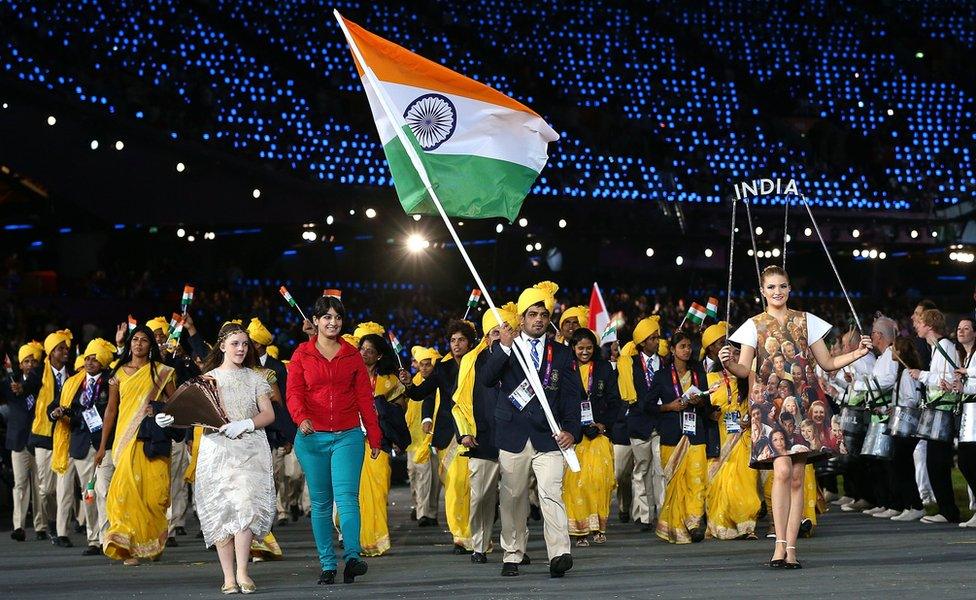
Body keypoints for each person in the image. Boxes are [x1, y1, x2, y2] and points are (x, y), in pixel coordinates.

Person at [722, 265, 871, 569]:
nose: (778, 292)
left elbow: (827, 362)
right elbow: (745, 370)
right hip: (768, 405)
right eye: (772, 287)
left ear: (789, 288)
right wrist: (730, 362)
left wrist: (856, 354)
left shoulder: (807, 321)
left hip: (804, 402)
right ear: (762, 291)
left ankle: (791, 549)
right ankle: (778, 546)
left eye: (783, 286)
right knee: (781, 471)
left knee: (797, 477)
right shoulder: (753, 325)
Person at [160, 321, 276, 593]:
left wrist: (245, 424)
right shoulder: (207, 379)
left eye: (245, 344)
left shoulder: (255, 378)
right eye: (235, 343)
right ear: (222, 345)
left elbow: (268, 414)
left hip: (249, 447)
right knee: (222, 509)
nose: (241, 348)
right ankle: (228, 576)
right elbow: (193, 415)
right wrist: (171, 419)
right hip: (217, 450)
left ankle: (243, 572)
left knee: (246, 506)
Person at [480, 281, 581, 578]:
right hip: (513, 436)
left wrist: (572, 430)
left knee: (552, 494)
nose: (538, 319)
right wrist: (504, 348)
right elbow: (486, 379)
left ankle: (560, 553)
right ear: (521, 318)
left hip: (549, 437)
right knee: (512, 497)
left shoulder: (561, 354)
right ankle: (512, 553)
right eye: (533, 314)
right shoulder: (507, 347)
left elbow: (573, 397)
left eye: (543, 314)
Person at [286, 295, 381, 585]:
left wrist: (374, 435)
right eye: (326, 317)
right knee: (321, 503)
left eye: (337, 317)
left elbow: (365, 398)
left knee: (348, 498)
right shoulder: (301, 354)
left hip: (348, 436)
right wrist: (301, 417)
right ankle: (327, 564)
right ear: (315, 321)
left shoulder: (352, 355)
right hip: (311, 437)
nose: (333, 322)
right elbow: (293, 393)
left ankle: (352, 557)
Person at [94, 325, 177, 565]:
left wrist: (159, 409)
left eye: (143, 340)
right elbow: (111, 410)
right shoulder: (118, 373)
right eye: (135, 340)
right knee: (123, 492)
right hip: (124, 440)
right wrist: (102, 446)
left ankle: (152, 541)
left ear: (150, 346)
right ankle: (128, 548)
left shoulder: (162, 372)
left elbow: (176, 404)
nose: (138, 344)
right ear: (129, 344)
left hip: (152, 439)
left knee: (152, 496)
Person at [401, 320, 477, 553]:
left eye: (461, 340)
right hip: (448, 436)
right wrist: (407, 383)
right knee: (455, 486)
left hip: (476, 433)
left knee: (476, 488)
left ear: (469, 342)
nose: (456, 344)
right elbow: (420, 393)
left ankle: (477, 533)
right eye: (453, 340)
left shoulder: (478, 364)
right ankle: (460, 536)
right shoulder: (442, 368)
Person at [452, 303, 519, 563]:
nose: (500, 337)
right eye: (494, 333)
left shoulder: (522, 358)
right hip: (482, 438)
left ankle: (514, 547)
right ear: (486, 336)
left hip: (515, 438)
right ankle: (479, 545)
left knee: (514, 497)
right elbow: (460, 402)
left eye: (504, 332)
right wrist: (464, 433)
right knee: (480, 496)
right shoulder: (472, 361)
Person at [48, 338, 115, 553]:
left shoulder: (112, 381)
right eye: (87, 358)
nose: (89, 362)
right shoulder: (73, 383)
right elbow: (55, 405)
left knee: (104, 491)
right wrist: (57, 412)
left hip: (106, 443)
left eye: (95, 359)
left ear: (103, 361)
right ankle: (94, 539)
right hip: (80, 445)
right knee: (89, 494)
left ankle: (108, 538)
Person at [650, 331, 715, 544]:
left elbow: (707, 402)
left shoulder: (698, 373)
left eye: (689, 346)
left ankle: (695, 524)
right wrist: (669, 406)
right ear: (672, 350)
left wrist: (700, 402)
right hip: (671, 435)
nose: (687, 350)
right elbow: (647, 406)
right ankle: (677, 526)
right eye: (682, 346)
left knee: (696, 480)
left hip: (696, 433)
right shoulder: (661, 376)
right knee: (675, 483)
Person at [701, 323, 760, 540]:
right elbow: (704, 408)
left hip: (743, 437)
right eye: (730, 352)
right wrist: (710, 413)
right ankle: (720, 525)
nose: (734, 356)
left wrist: (749, 419)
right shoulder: (710, 379)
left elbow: (758, 404)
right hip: (719, 437)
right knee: (719, 484)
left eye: (738, 352)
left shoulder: (748, 379)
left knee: (745, 482)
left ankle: (746, 525)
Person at [563, 327, 620, 546]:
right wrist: (572, 426)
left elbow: (615, 401)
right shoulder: (566, 368)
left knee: (599, 481)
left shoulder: (604, 368)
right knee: (576, 483)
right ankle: (580, 532)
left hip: (599, 434)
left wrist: (602, 425)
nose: (584, 352)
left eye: (589, 348)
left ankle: (598, 528)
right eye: (580, 348)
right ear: (573, 348)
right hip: (573, 435)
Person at [356, 331, 410, 557]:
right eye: (362, 349)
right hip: (352, 440)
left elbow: (400, 409)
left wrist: (382, 411)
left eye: (370, 350)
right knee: (354, 495)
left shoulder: (389, 381)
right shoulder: (347, 376)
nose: (365, 353)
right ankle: (354, 537)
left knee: (377, 492)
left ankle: (375, 541)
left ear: (379, 356)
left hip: (379, 442)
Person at [909, 308, 962, 523]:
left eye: (920, 323)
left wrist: (921, 375)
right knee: (934, 461)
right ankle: (945, 508)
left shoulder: (945, 347)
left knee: (938, 461)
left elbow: (946, 377)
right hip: (938, 412)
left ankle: (948, 511)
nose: (916, 326)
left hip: (944, 412)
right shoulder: (937, 348)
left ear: (929, 326)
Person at [247, 318, 301, 529]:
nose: (243, 346)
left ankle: (268, 516)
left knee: (273, 478)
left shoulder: (276, 368)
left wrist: (289, 435)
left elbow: (284, 402)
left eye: (247, 342)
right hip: (249, 434)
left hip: (273, 434)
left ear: (257, 344)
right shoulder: (242, 366)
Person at [617, 316, 665, 530]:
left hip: (662, 422)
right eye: (653, 338)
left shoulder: (665, 362)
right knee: (641, 470)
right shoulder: (629, 364)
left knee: (661, 470)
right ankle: (644, 516)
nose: (657, 341)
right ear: (642, 342)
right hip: (639, 424)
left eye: (657, 336)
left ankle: (663, 514)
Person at [29, 330, 74, 542]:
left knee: (63, 487)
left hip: (65, 435)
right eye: (60, 349)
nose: (65, 351)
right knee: (46, 489)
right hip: (43, 435)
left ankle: (59, 525)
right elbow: (26, 387)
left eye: (66, 348)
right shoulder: (38, 373)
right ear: (50, 352)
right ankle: (51, 520)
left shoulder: (73, 373)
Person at [4, 341, 43, 541]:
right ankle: (18, 526)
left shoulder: (42, 383)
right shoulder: (10, 382)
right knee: (20, 484)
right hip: (18, 441)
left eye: (33, 361)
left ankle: (40, 526)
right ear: (20, 364)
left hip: (38, 441)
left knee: (40, 485)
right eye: (26, 361)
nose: (30, 364)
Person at [887, 337, 926, 522]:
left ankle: (915, 505)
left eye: (894, 348)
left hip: (906, 424)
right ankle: (909, 504)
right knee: (901, 464)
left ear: (900, 352)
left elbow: (911, 399)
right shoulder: (902, 372)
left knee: (903, 465)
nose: (891, 351)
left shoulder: (906, 373)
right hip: (901, 422)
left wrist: (897, 408)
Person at [407, 347, 441, 527]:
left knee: (433, 477)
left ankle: (428, 513)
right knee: (414, 474)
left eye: (428, 364)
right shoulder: (413, 382)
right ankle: (420, 506)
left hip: (434, 436)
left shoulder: (437, 382)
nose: (425, 368)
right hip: (413, 439)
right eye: (422, 364)